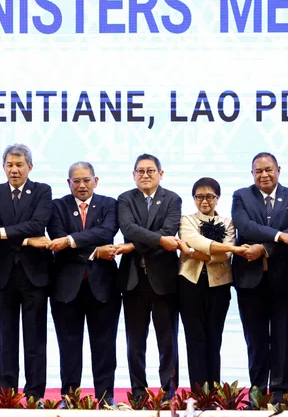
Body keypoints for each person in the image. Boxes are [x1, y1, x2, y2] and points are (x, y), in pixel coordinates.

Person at [230, 152, 288, 400]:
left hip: (285, 277)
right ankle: (258, 390)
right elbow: (245, 227)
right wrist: (278, 236)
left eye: (268, 169)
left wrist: (264, 247)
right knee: (255, 337)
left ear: (278, 170)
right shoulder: (241, 196)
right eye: (258, 171)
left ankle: (280, 391)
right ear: (252, 174)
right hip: (249, 279)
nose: (264, 174)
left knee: (284, 336)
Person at [0, 143, 53, 399]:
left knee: (35, 338)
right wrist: (27, 239)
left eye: (19, 165)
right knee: (5, 337)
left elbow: (38, 224)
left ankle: (34, 394)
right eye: (9, 165)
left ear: (29, 167)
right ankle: (7, 394)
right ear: (4, 168)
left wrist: (7, 233)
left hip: (35, 273)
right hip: (3, 273)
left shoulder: (42, 191)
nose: (14, 170)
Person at [46, 161, 121, 406]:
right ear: (68, 183)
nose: (81, 185)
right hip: (65, 288)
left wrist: (70, 240)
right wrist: (95, 252)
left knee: (105, 347)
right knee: (68, 346)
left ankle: (105, 396)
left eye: (86, 180)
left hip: (104, 287)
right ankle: (70, 396)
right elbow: (57, 239)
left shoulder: (110, 204)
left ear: (95, 181)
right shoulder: (57, 206)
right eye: (76, 181)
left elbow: (106, 232)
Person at [115, 153, 183, 395]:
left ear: (160, 174)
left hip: (164, 280)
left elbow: (169, 230)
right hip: (133, 279)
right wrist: (159, 240)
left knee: (167, 341)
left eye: (150, 171)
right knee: (135, 342)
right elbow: (128, 228)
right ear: (134, 175)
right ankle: (139, 391)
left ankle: (169, 391)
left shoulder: (172, 199)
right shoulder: (124, 199)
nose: (145, 175)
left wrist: (134, 244)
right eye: (140, 171)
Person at [178, 177, 247, 391]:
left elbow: (225, 252)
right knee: (194, 339)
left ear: (217, 198)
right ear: (194, 199)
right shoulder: (186, 220)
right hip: (189, 284)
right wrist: (197, 249)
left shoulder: (228, 222)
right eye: (199, 196)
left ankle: (213, 393)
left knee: (214, 339)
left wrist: (192, 253)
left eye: (209, 196)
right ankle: (199, 392)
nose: (204, 201)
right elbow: (195, 240)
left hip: (219, 287)